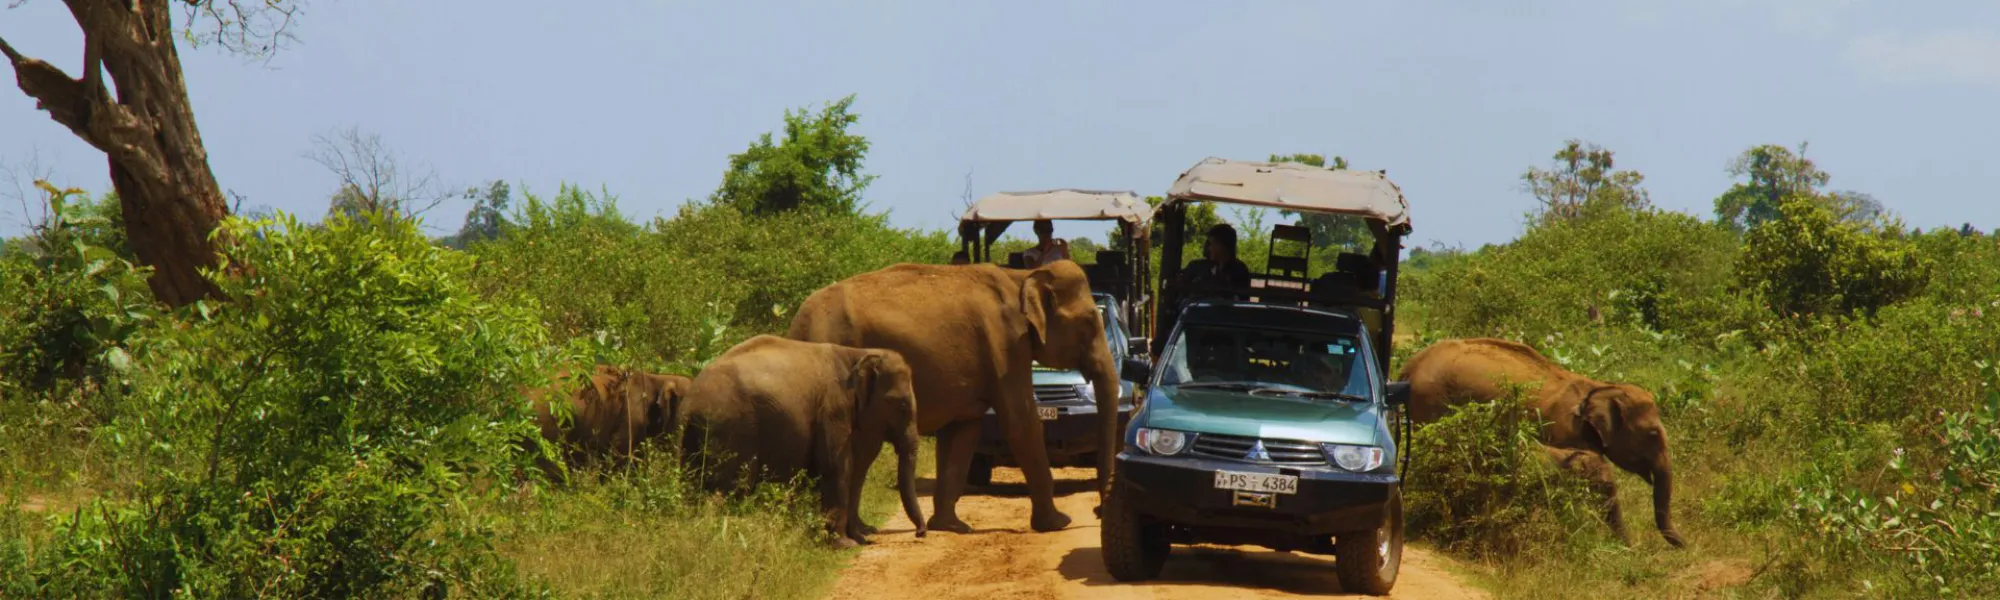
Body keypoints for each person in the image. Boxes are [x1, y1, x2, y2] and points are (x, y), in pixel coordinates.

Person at [1177, 223, 1252, 297]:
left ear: (1226, 246)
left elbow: (1241, 299)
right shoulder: (1196, 266)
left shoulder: (1239, 270)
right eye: (1210, 244)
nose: (1210, 248)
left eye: (1214, 243)